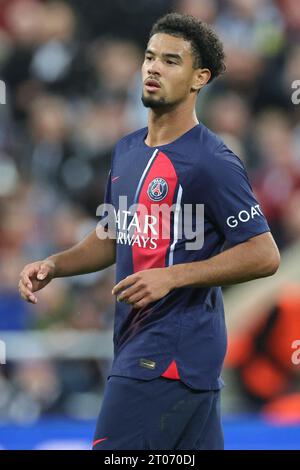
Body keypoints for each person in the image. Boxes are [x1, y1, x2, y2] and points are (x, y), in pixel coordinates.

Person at [19, 13, 280, 450]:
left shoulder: (211, 160)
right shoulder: (126, 150)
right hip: (163, 355)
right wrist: (56, 264)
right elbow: (113, 234)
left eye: (171, 61)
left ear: (200, 78)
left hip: (164, 353)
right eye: (149, 57)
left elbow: (264, 253)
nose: (153, 68)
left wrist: (172, 276)